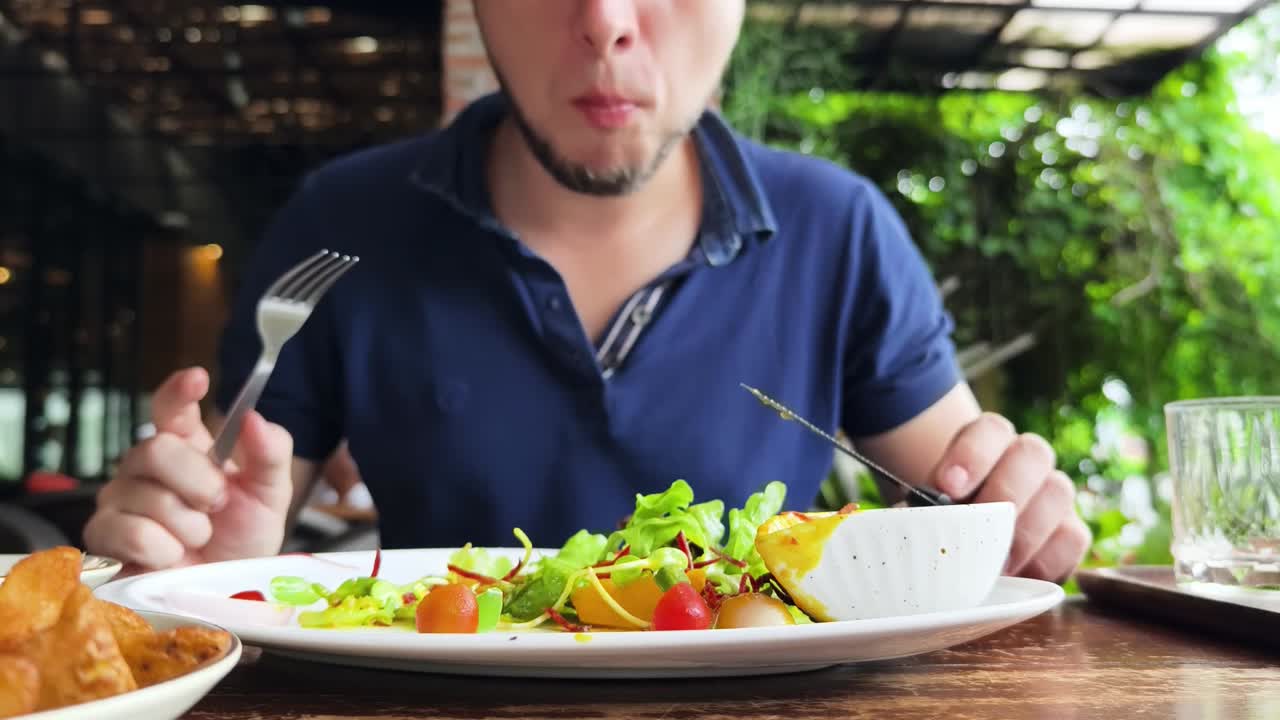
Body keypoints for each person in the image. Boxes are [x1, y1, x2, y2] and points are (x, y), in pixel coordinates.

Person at [83, 0, 1090, 583]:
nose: (604, 23)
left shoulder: (839, 229)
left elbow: (962, 523)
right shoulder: (341, 222)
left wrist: (1008, 518)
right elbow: (233, 529)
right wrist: (209, 567)